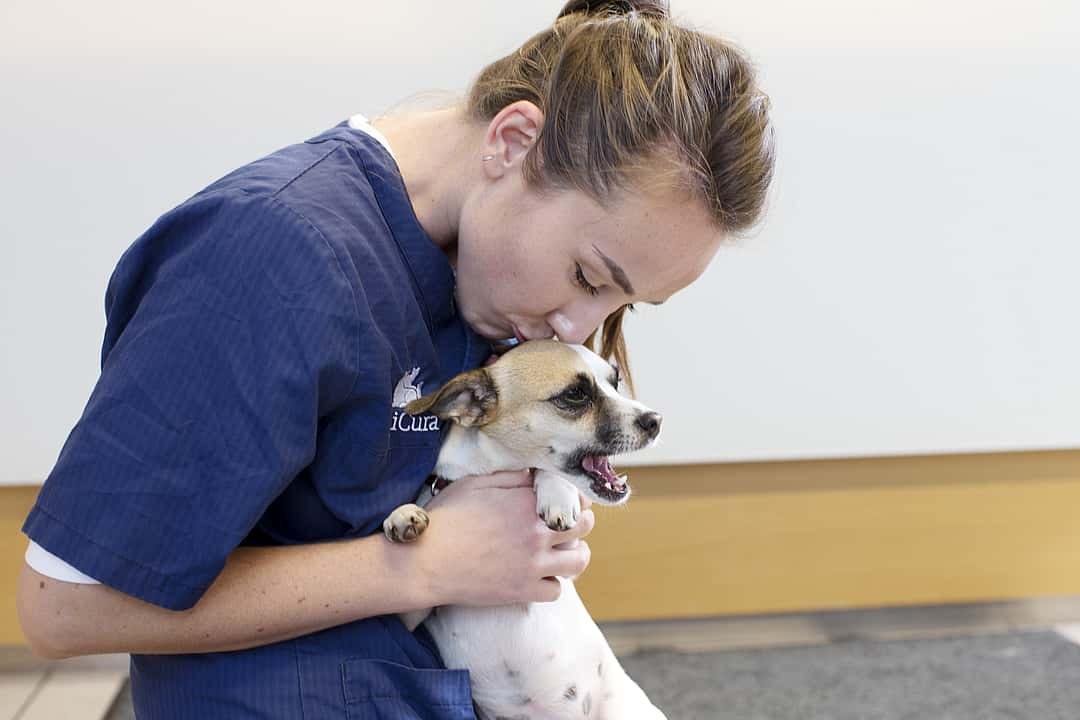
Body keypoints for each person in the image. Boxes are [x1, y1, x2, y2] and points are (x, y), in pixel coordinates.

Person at [16, 0, 775, 717]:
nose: (577, 327)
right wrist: (424, 565)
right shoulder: (266, 256)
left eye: (622, 304)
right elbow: (64, 606)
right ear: (511, 143)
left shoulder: (481, 276)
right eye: (587, 276)